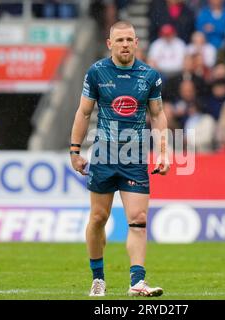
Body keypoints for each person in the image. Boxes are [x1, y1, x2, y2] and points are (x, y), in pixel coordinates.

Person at [69, 21, 169, 297]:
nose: (125, 44)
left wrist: (163, 151)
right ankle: (98, 278)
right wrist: (75, 151)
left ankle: (137, 282)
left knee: (138, 218)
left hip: (135, 157)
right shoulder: (97, 72)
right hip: (103, 154)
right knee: (99, 217)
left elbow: (158, 115)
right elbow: (84, 113)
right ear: (109, 43)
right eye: (120, 40)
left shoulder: (149, 76)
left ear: (137, 43)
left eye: (129, 39)